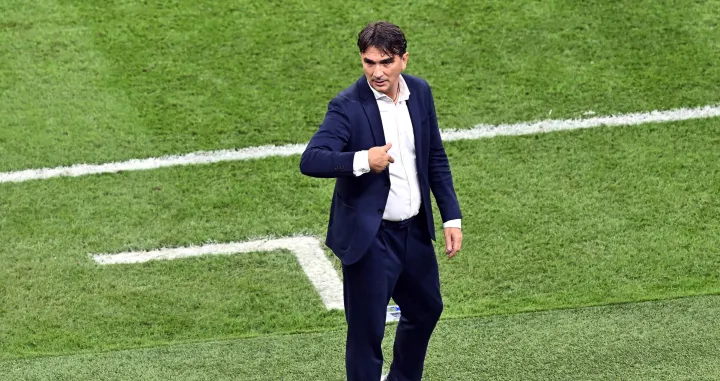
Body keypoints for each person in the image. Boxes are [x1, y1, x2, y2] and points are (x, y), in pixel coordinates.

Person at [299, 21, 463, 381]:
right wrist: (362, 160)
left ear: (403, 59)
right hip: (371, 240)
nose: (376, 72)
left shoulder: (420, 92)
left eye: (385, 62)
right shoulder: (346, 106)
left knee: (425, 309)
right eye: (368, 62)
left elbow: (434, 155)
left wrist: (451, 217)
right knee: (366, 334)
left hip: (414, 233)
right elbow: (311, 160)